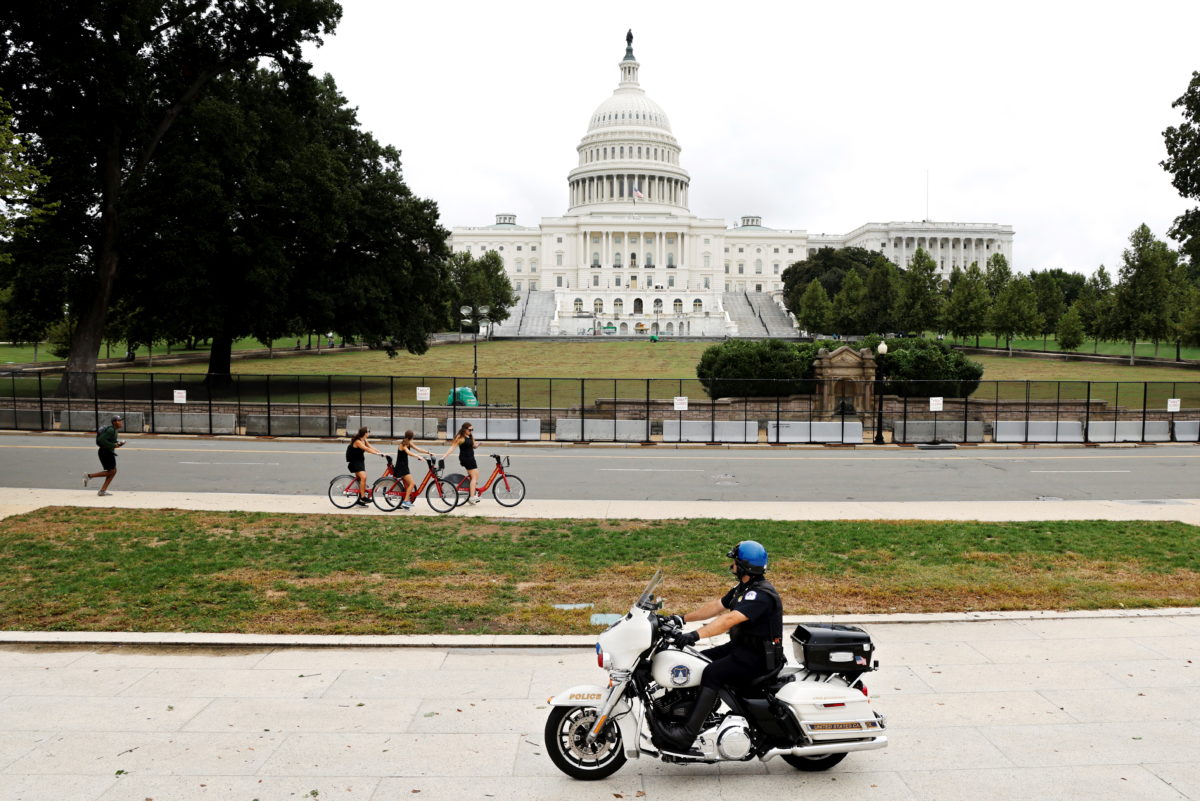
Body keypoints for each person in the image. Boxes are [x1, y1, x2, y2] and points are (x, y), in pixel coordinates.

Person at [654, 540, 783, 753]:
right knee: (694, 660)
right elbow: (717, 606)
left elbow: (728, 620)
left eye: (735, 561)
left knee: (711, 673)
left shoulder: (760, 595)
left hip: (758, 658)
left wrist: (694, 635)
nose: (731, 564)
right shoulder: (744, 587)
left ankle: (687, 734)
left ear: (743, 566)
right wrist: (681, 619)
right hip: (741, 649)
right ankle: (688, 714)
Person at [84, 414, 125, 496]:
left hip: (108, 452)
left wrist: (118, 443)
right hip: (105, 452)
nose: (121, 422)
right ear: (114, 422)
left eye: (121, 420)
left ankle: (102, 491)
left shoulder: (115, 430)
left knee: (113, 471)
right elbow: (101, 440)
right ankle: (89, 476)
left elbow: (110, 440)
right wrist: (114, 445)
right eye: (119, 421)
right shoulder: (110, 430)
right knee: (112, 471)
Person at [393, 429, 434, 510]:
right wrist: (418, 456)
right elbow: (409, 453)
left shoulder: (408, 442)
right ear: (411, 437)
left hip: (404, 466)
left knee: (407, 485)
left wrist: (428, 452)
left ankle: (405, 501)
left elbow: (418, 449)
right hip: (401, 468)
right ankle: (405, 502)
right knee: (412, 484)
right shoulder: (403, 444)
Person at [442, 422, 481, 504]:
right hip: (466, 458)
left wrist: (477, 445)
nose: (471, 431)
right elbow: (452, 448)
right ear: (465, 429)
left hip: (471, 457)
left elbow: (473, 445)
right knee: (475, 476)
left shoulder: (470, 436)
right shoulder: (461, 438)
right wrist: (444, 456)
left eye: (472, 430)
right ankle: (472, 497)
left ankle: (471, 495)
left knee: (472, 477)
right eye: (470, 430)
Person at [346, 427, 385, 507]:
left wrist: (380, 452)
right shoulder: (358, 441)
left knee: (360, 480)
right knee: (364, 477)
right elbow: (366, 449)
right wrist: (377, 454)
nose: (369, 433)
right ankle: (363, 497)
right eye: (368, 431)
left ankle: (358, 500)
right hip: (354, 462)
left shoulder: (364, 440)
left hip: (359, 461)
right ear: (364, 433)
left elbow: (370, 447)